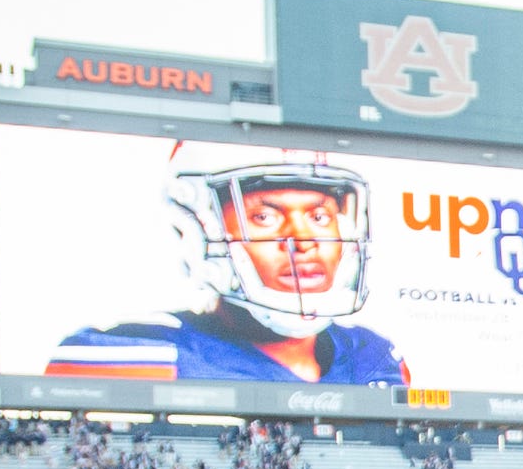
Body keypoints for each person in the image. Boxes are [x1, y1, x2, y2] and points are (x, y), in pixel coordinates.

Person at [47, 155, 410, 386]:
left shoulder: (371, 355)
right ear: (200, 228)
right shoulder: (144, 352)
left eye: (319, 216)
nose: (302, 239)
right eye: (264, 217)